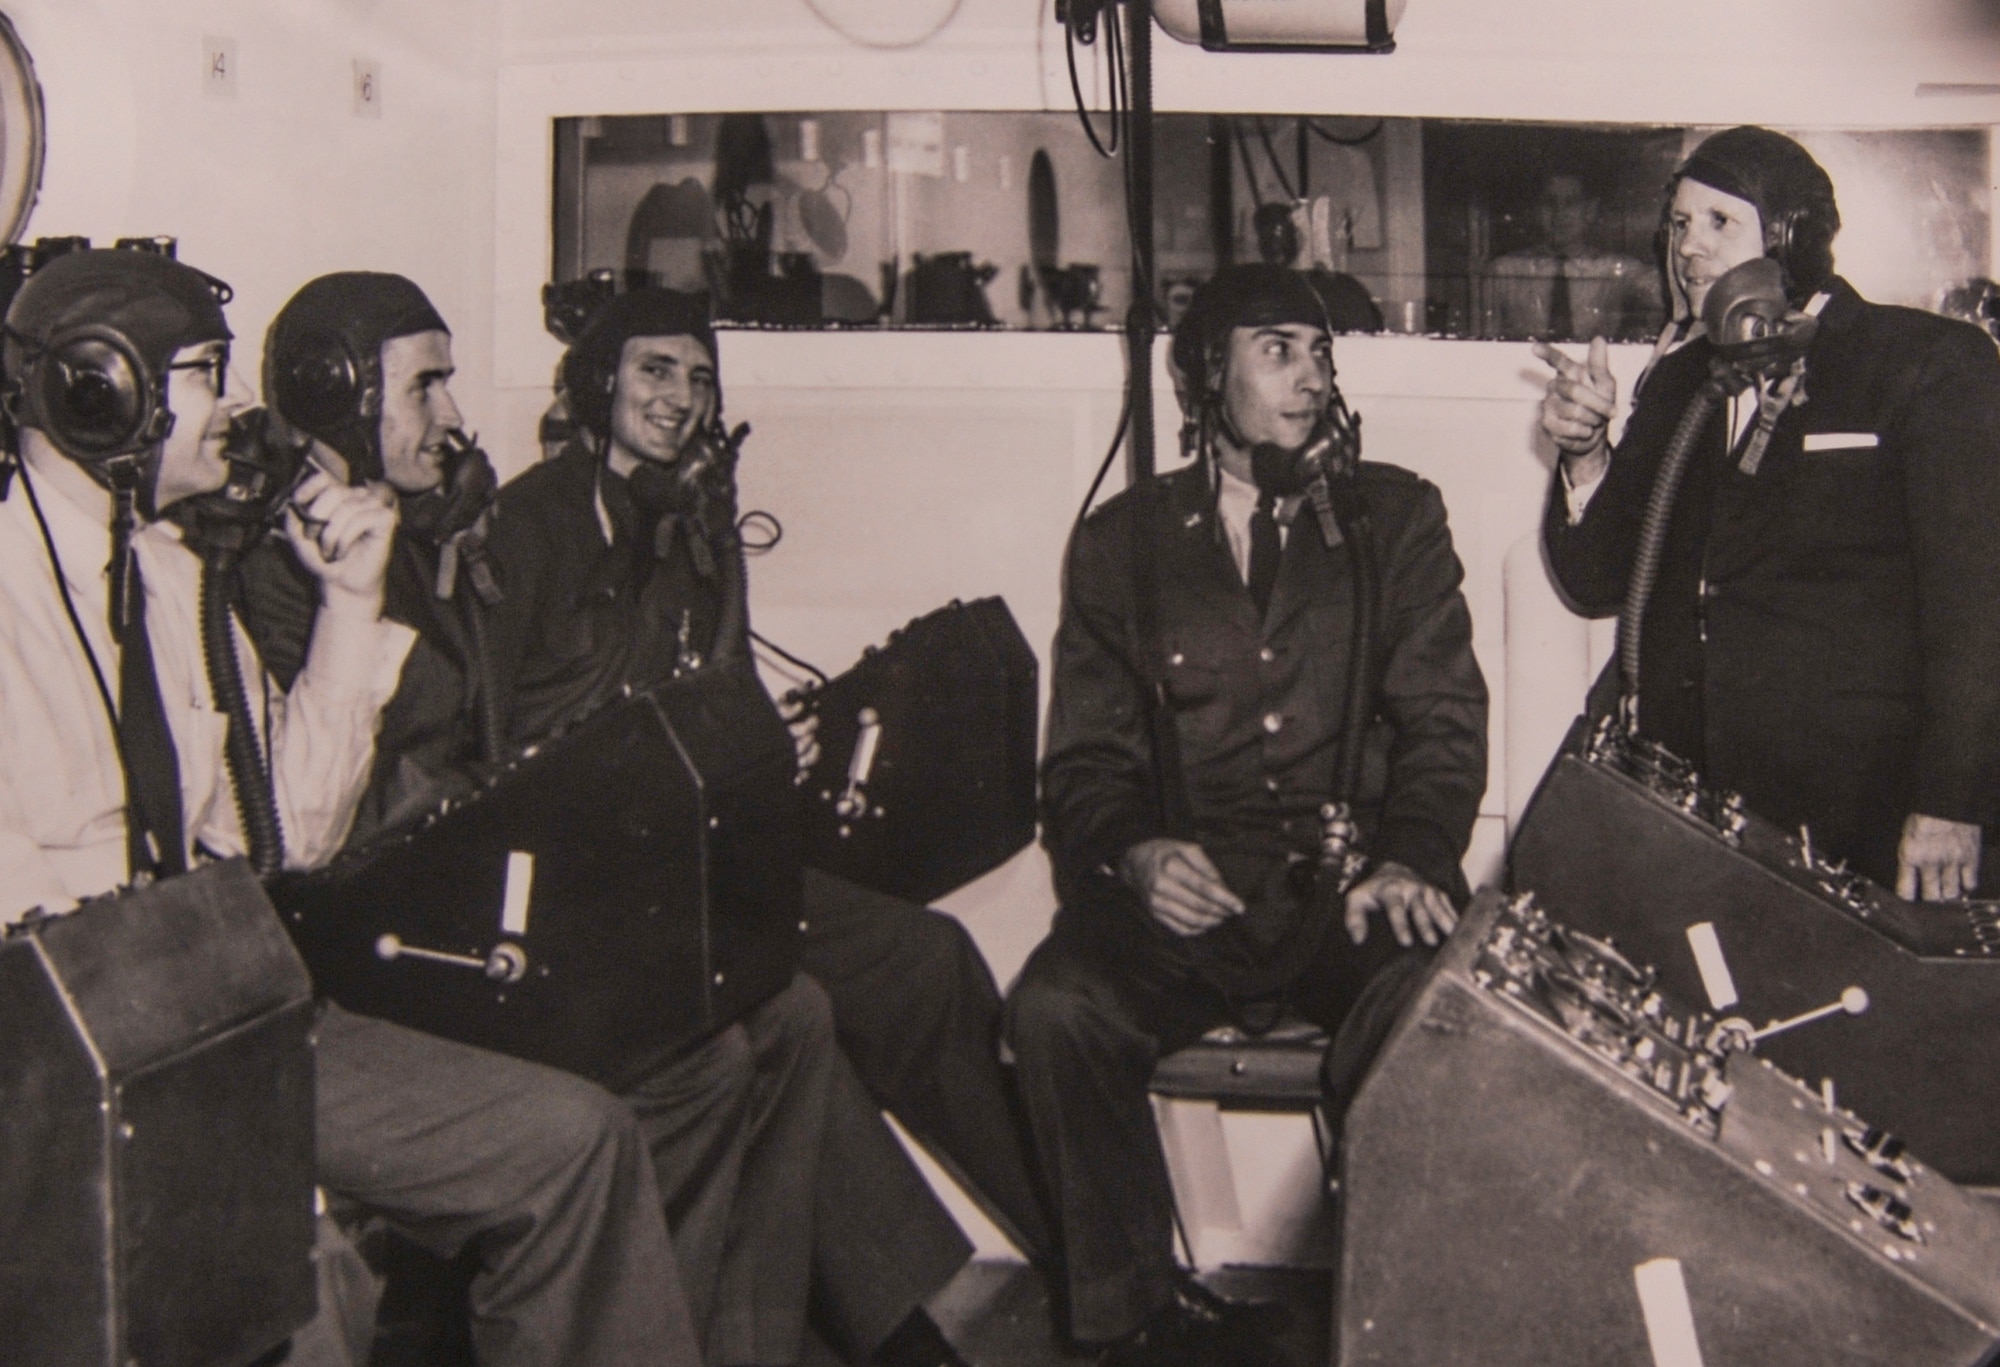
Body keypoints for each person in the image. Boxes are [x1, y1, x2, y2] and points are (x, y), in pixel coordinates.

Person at [241, 271, 967, 1367]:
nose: (451, 413)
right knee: (714, 1043)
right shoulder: (299, 568)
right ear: (333, 391)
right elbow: (344, 809)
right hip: (402, 936)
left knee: (783, 1009)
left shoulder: (409, 537)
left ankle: (745, 1340)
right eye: (425, 386)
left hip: (484, 886)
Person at [0, 248, 699, 1364]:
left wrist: (348, 605)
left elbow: (292, 834)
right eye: (201, 374)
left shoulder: (173, 581)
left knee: (576, 1140)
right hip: (63, 1068)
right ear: (98, 389)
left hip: (223, 1024)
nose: (235, 410)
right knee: (297, 1273)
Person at [1004, 262, 1487, 1366]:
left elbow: (1444, 723)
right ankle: (1128, 1320)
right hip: (1193, 904)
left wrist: (1412, 856)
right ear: (1202, 378)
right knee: (1055, 1009)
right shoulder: (1120, 542)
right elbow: (1082, 762)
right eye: (1279, 350)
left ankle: (1405, 1333)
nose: (1311, 377)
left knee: (1432, 1016)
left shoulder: (1394, 515)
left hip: (1356, 894)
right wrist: (1134, 852)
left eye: (1322, 355)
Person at [1536, 125, 2000, 900]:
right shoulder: (1682, 381)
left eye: (1721, 221)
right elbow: (1596, 579)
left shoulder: (1923, 360)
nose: (1689, 247)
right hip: (1690, 802)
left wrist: (1951, 800)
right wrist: (1585, 453)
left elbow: (1977, 605)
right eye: (1679, 225)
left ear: (1796, 239)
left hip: (1863, 812)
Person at [1483, 171, 1660, 342]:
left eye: (1571, 203)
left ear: (1590, 210)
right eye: (1550, 202)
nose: (1559, 214)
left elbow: (1662, 296)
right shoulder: (1506, 270)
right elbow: (1485, 341)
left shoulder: (1616, 268)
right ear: (1536, 210)